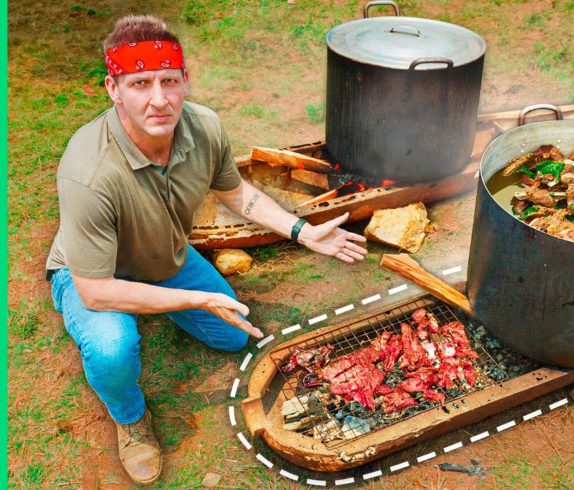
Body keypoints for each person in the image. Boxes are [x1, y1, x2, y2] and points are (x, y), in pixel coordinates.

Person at [45, 15, 367, 485]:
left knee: (232, 337)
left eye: (169, 81)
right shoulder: (87, 172)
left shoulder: (204, 127)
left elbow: (237, 196)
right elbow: (95, 291)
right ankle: (131, 420)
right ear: (113, 89)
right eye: (140, 84)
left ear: (184, 81)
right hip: (91, 275)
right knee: (113, 347)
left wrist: (301, 231)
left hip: (163, 256)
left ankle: (160, 302)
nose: (160, 99)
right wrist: (194, 298)